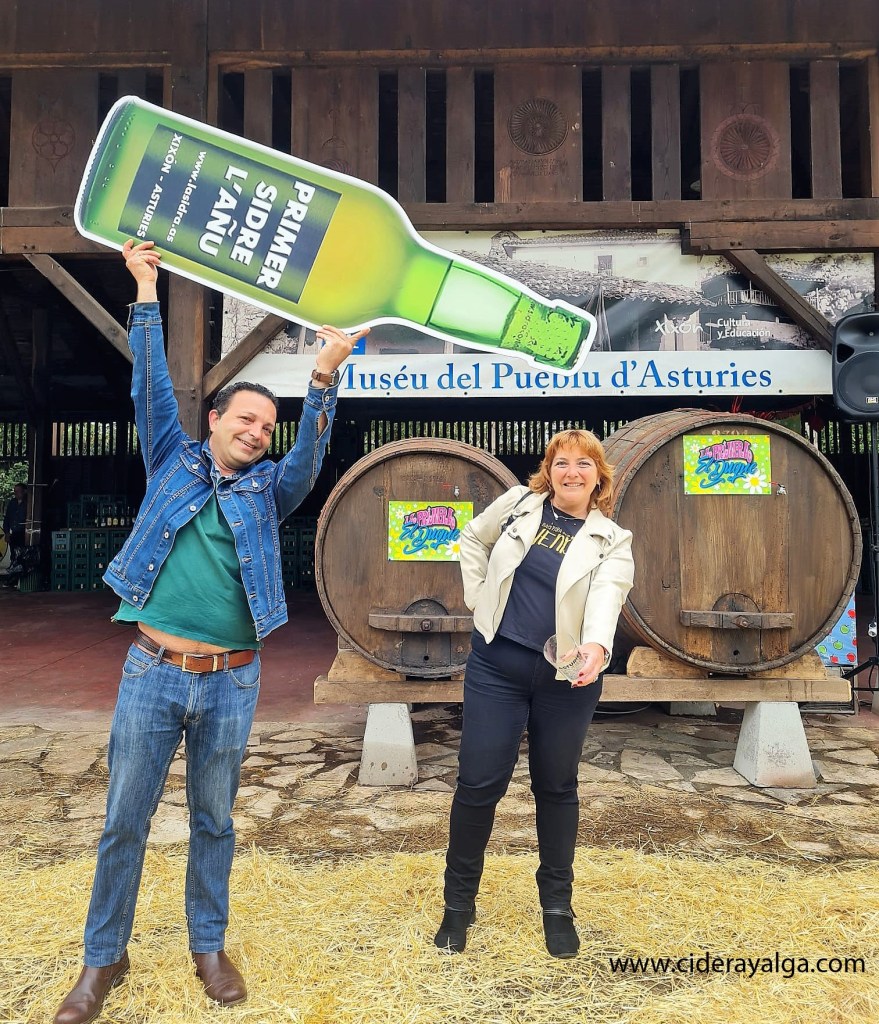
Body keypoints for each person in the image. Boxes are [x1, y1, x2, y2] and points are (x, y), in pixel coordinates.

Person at [53, 239, 365, 1024]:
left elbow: (310, 457)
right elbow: (150, 386)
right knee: (123, 821)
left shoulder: (269, 492)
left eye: (267, 425)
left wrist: (323, 377)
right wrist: (145, 290)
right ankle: (103, 957)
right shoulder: (172, 459)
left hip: (231, 679)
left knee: (214, 820)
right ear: (215, 421)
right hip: (153, 670)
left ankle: (207, 946)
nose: (257, 431)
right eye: (246, 418)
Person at [434, 429, 634, 959]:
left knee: (556, 787)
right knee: (478, 784)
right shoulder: (519, 504)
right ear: (549, 470)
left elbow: (608, 595)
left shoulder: (612, 539)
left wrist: (596, 646)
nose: (572, 472)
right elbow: (472, 538)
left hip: (566, 677)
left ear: (598, 476)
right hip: (496, 666)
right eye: (561, 462)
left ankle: (557, 907)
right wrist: (479, 597)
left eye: (584, 464)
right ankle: (458, 905)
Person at [2, 482, 28, 564]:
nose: (16, 493)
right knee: (14, 554)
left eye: (18, 491)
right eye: (15, 491)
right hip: (14, 532)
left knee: (23, 554)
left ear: (24, 491)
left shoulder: (29, 503)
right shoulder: (12, 502)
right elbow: (7, 518)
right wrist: (7, 532)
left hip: (24, 533)